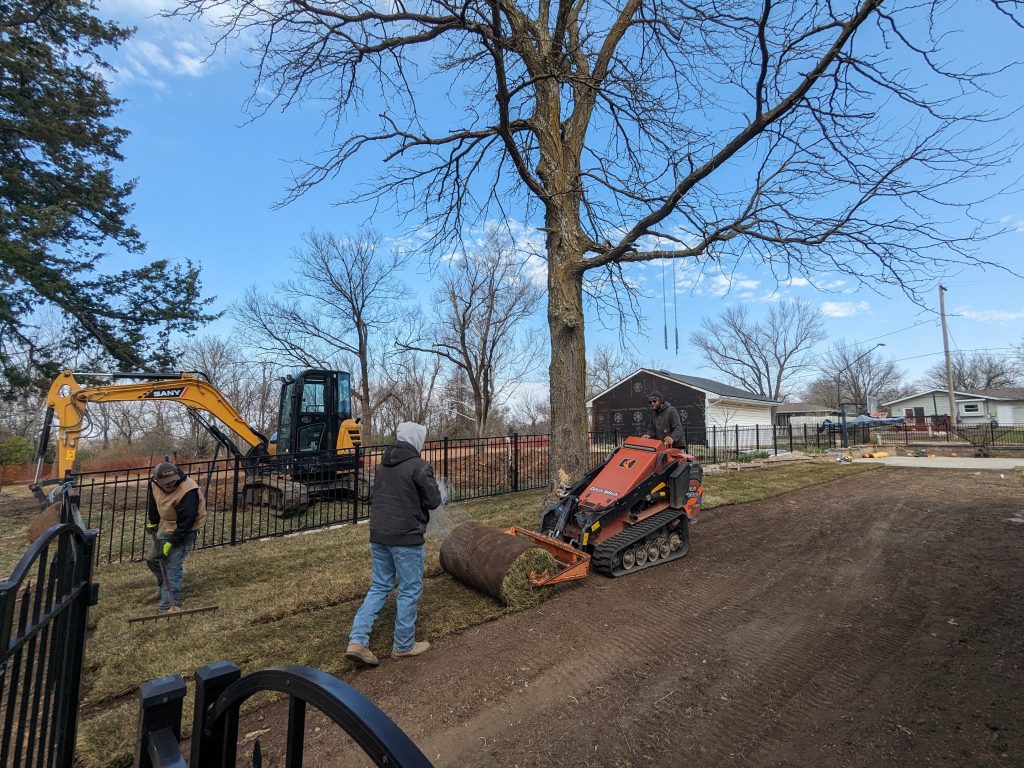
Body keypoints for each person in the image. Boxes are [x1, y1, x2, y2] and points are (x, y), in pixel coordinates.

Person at [346, 421, 442, 668]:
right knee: (410, 589)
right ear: (416, 441)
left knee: (379, 586)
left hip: (379, 534)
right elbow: (433, 500)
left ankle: (357, 641)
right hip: (406, 537)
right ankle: (403, 645)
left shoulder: (382, 465)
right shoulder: (419, 466)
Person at [145, 461, 206, 614]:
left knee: (172, 565)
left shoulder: (188, 490)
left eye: (173, 481)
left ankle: (169, 606)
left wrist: (171, 543)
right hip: (169, 525)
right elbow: (153, 502)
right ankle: (164, 588)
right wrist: (153, 521)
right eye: (166, 483)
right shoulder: (153, 484)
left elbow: (187, 522)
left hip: (187, 529)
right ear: (157, 481)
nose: (170, 484)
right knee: (153, 559)